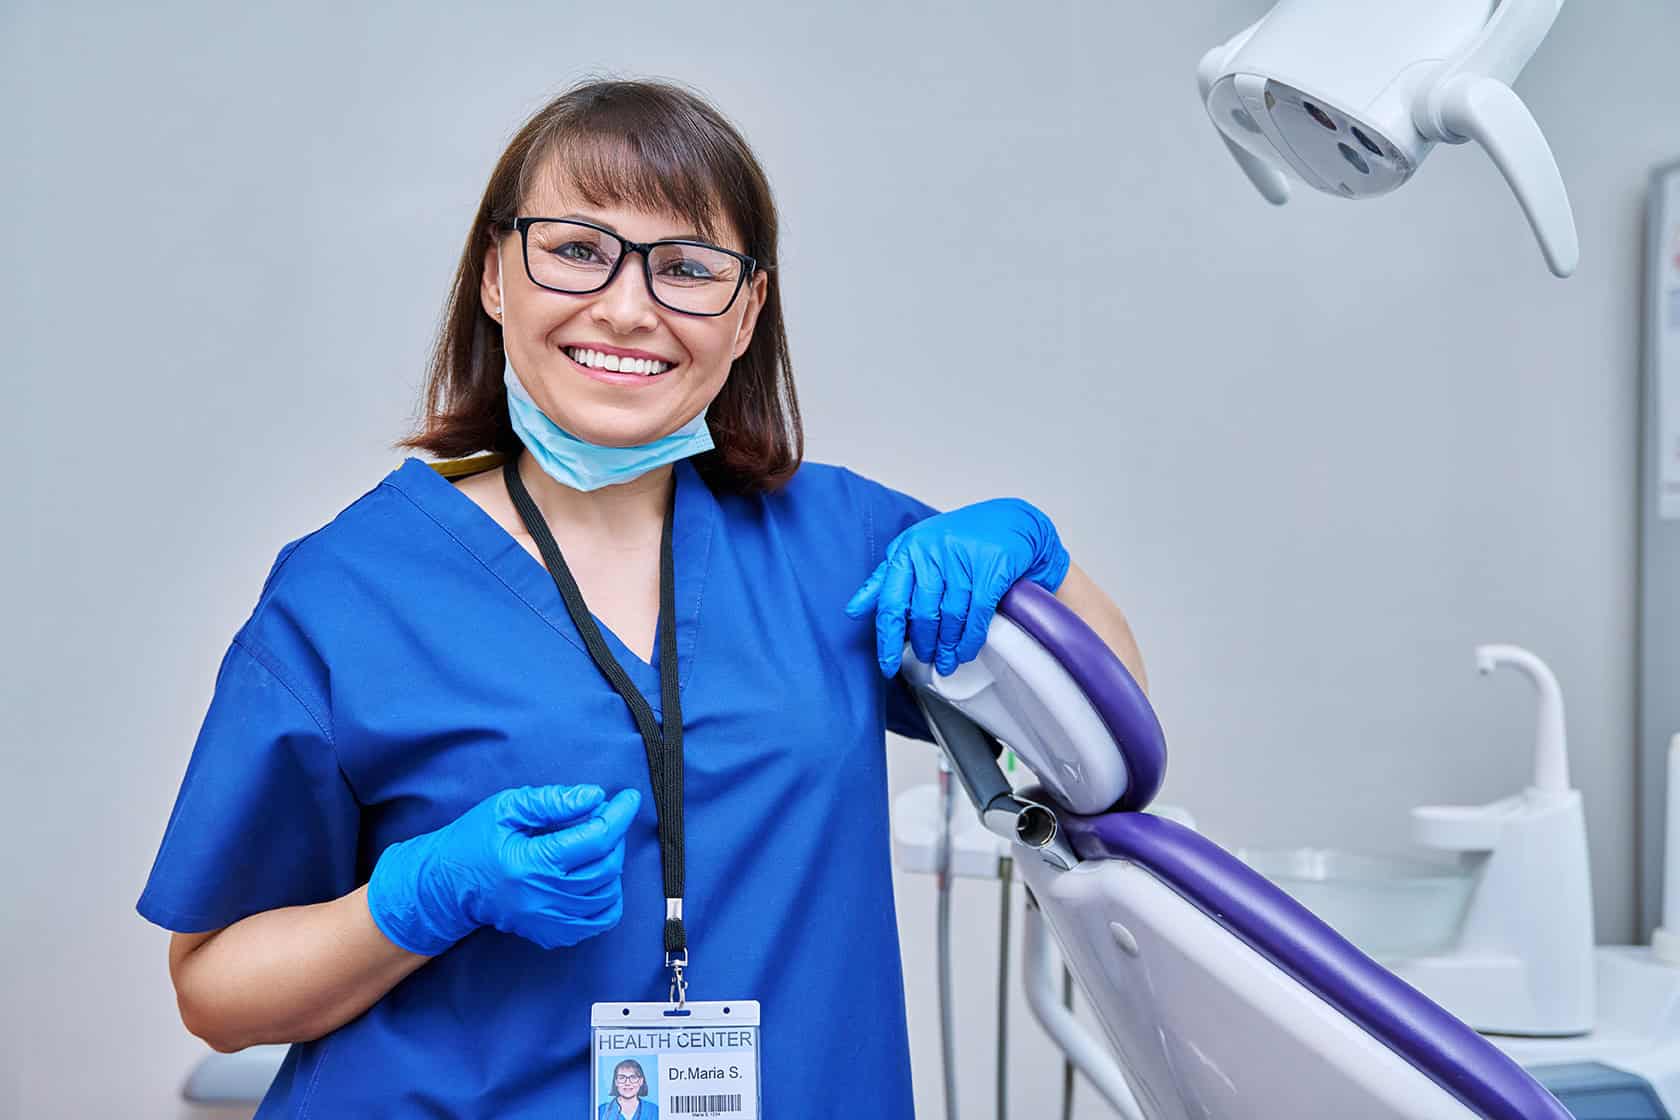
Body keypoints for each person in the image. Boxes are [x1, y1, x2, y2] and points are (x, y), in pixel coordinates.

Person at [136, 77, 1147, 1117]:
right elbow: (215, 991)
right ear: (494, 274)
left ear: (747, 311)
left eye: (688, 268)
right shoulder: (347, 589)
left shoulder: (839, 546)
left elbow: (1105, 744)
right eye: (576, 248)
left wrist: (1041, 561)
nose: (627, 306)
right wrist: (420, 896)